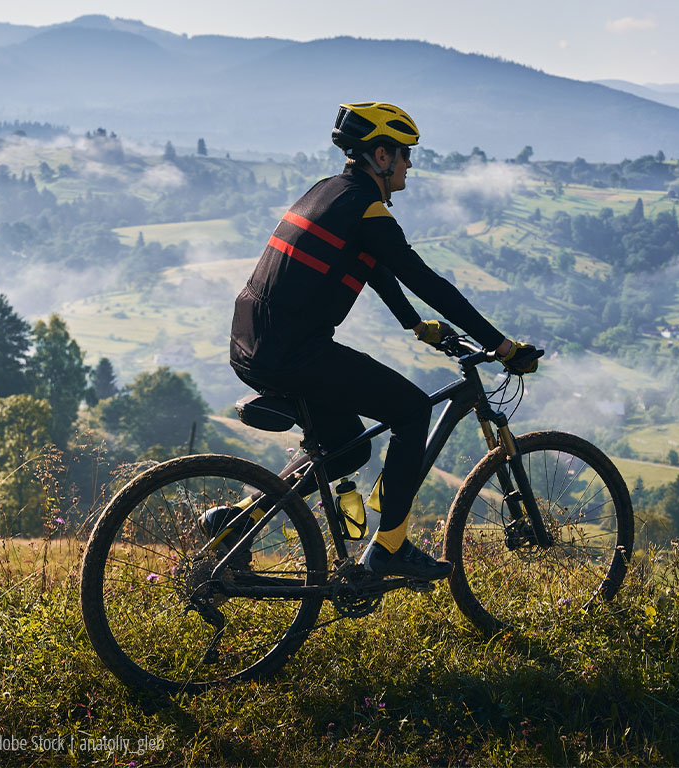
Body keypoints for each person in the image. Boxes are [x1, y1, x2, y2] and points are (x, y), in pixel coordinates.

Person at [229, 102, 539, 581]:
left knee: (348, 448)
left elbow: (372, 265)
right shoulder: (366, 209)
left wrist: (415, 324)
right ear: (380, 155)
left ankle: (238, 519)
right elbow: (425, 280)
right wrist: (501, 346)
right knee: (412, 410)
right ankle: (390, 548)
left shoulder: (329, 192)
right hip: (292, 349)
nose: (410, 164)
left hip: (252, 339)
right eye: (405, 154)